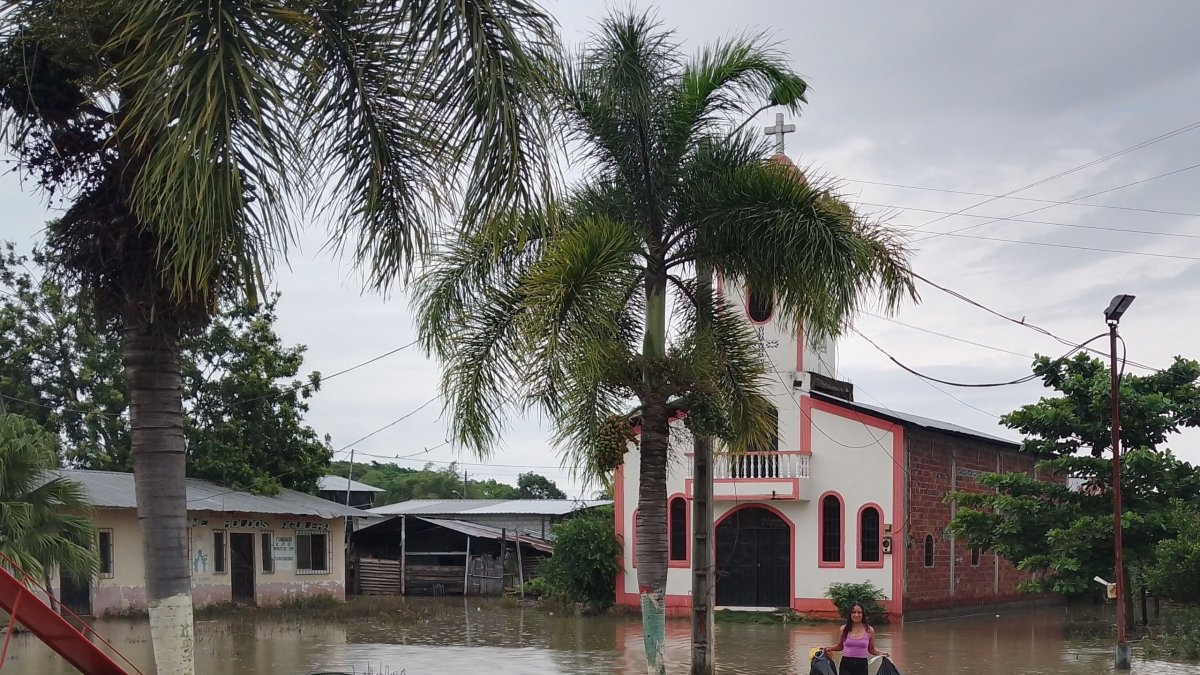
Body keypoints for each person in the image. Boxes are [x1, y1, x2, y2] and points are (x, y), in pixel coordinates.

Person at [822, 602, 889, 675]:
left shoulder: (869, 630)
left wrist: (881, 653)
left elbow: (871, 649)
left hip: (862, 665)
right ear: (850, 614)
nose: (856, 615)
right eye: (853, 612)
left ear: (863, 614)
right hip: (846, 664)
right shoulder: (844, 629)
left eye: (859, 612)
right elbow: (840, 646)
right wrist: (826, 649)